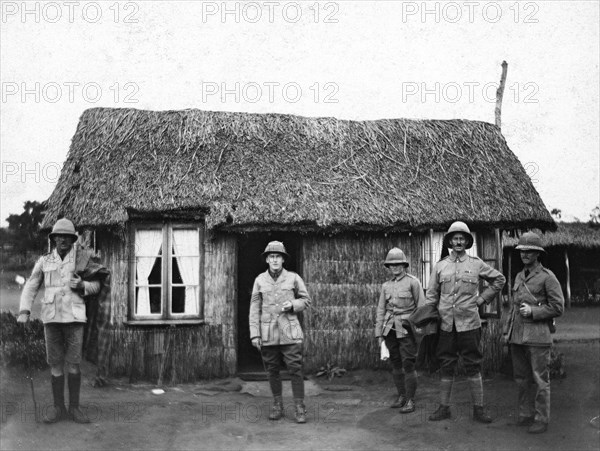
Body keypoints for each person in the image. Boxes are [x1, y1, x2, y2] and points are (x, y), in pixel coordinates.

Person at [17, 218, 107, 424]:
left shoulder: (83, 259)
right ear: (54, 238)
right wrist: (24, 310)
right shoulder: (44, 261)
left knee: (74, 364)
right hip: (51, 319)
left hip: (75, 318)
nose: (63, 240)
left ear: (73, 238)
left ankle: (74, 409)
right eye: (59, 236)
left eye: (67, 236)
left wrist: (83, 284)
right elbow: (31, 286)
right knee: (55, 363)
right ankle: (59, 409)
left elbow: (97, 286)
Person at [426, 221, 506, 423]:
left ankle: (479, 410)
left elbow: (499, 280)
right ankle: (444, 408)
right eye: (455, 238)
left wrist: (482, 299)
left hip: (469, 324)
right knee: (446, 365)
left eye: (462, 238)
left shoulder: (476, 263)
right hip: (446, 325)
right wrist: (430, 316)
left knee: (473, 365)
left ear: (467, 241)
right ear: (450, 241)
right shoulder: (440, 265)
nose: (459, 241)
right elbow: (432, 295)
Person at [504, 232, 564, 434]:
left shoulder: (548, 277)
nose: (525, 254)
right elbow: (513, 308)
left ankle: (541, 418)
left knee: (540, 379)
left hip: (538, 336)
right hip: (518, 335)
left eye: (530, 251)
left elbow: (558, 307)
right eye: (522, 250)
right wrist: (507, 332)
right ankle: (525, 413)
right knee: (521, 379)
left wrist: (534, 311)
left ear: (538, 254)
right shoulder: (520, 276)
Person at [249, 241, 311, 423]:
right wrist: (255, 333)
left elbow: (306, 300)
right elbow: (254, 308)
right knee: (272, 371)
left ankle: (300, 407)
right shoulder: (259, 280)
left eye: (278, 257)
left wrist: (293, 304)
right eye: (272, 257)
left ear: (283, 259)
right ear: (267, 259)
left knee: (295, 369)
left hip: (290, 332)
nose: (275, 260)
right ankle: (277, 405)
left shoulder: (293, 278)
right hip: (267, 333)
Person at [375, 247, 425, 413]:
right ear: (388, 267)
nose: (395, 267)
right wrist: (379, 334)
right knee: (396, 363)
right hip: (389, 329)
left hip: (406, 329)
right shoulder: (386, 286)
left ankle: (410, 400)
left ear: (404, 265)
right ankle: (402, 395)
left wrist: (418, 331)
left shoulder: (413, 282)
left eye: (398, 264)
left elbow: (421, 308)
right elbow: (381, 310)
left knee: (408, 363)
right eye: (391, 265)